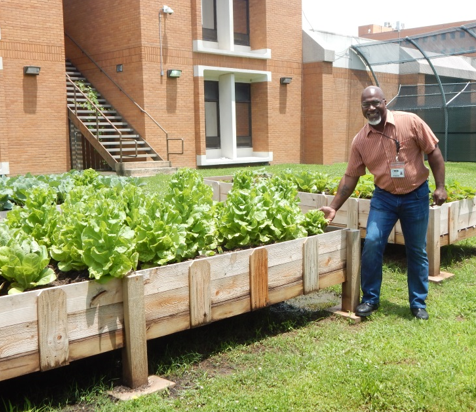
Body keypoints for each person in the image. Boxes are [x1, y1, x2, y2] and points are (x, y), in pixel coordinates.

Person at [320, 86, 447, 320]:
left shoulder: (410, 122)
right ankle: (370, 298)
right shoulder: (360, 140)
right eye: (365, 105)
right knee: (373, 243)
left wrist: (440, 186)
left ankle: (418, 303)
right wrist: (334, 206)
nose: (371, 108)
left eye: (375, 103)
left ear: (384, 102)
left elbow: (434, 152)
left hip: (415, 194)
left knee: (416, 249)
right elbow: (350, 176)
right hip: (384, 198)